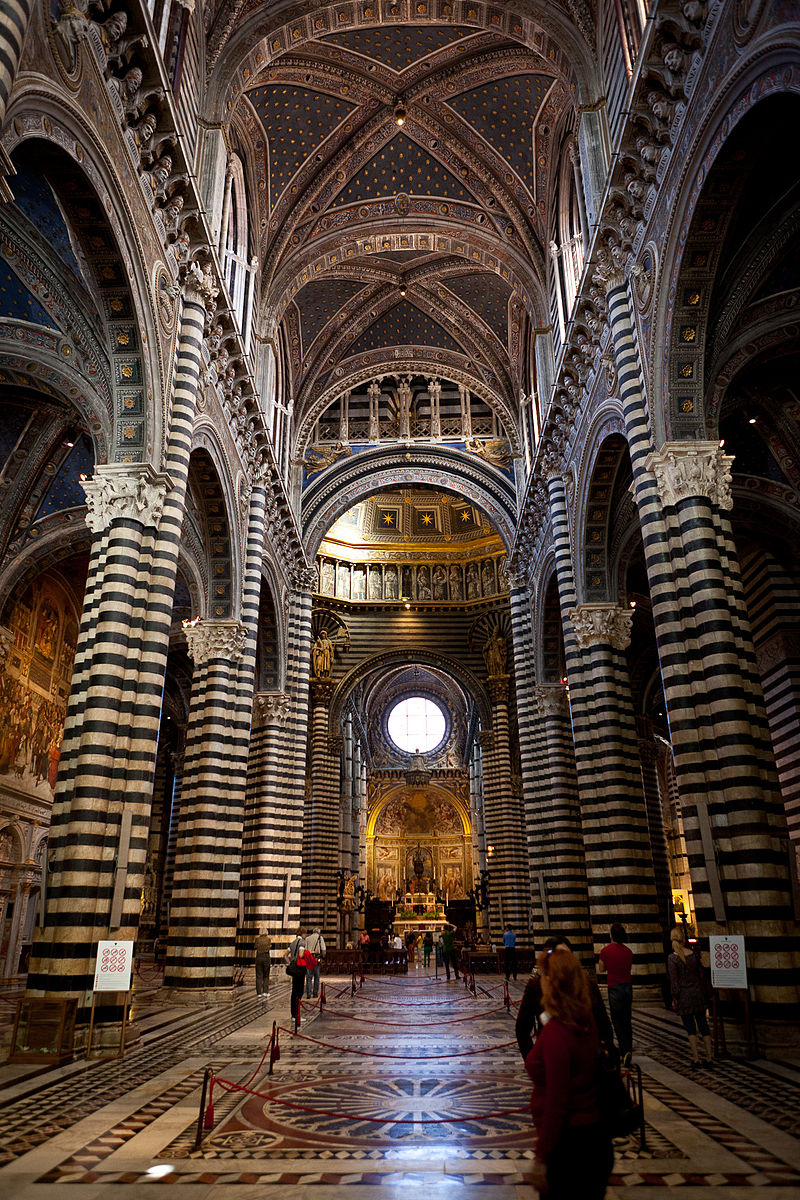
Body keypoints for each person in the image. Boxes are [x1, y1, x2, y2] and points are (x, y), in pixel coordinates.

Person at [526, 947, 614, 1200]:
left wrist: (542, 1156)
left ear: (552, 982)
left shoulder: (558, 1032)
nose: (538, 980)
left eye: (541, 975)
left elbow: (557, 1099)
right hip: (595, 1138)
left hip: (570, 1145)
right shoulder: (585, 1021)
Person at [516, 934, 614, 1061]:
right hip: (551, 1056)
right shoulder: (536, 987)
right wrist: (532, 1059)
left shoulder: (587, 985)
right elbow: (522, 1028)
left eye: (566, 955)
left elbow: (603, 1025)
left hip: (586, 1059)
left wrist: (603, 1056)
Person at [668, 925, 713, 1069]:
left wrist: (675, 999)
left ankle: (696, 1058)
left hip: (684, 996)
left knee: (690, 1028)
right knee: (703, 1025)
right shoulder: (693, 954)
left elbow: (674, 982)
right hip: (697, 993)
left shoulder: (673, 958)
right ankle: (709, 1057)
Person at [598, 923, 634, 1064]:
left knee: (617, 1020)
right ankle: (628, 1049)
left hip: (614, 987)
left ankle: (624, 1051)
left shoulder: (606, 951)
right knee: (627, 1019)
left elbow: (601, 969)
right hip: (628, 987)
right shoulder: (628, 951)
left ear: (611, 935)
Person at [292, 945, 316, 1027]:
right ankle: (296, 1015)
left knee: (294, 992)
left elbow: (285, 954)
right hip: (300, 969)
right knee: (299, 992)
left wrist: (290, 962)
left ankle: (294, 1015)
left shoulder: (293, 943)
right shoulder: (301, 943)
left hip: (294, 969)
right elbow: (301, 955)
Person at [305, 927, 326, 998]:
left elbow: (305, 950)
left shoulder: (307, 938)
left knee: (309, 977)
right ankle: (315, 993)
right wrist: (323, 957)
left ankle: (308, 993)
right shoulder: (320, 938)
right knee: (317, 977)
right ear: (318, 932)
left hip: (309, 959)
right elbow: (323, 949)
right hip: (317, 959)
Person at [254, 927, 272, 998]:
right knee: (266, 975)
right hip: (266, 957)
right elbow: (269, 947)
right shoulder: (268, 939)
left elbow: (255, 946)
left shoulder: (257, 939)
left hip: (259, 957)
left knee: (259, 975)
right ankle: (265, 992)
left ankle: (259, 993)